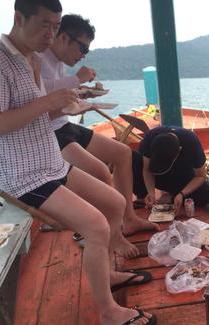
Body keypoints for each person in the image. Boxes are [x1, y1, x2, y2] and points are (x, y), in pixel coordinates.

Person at [0, 1, 155, 324]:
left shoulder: (31, 60)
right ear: (18, 18)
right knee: (96, 225)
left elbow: (41, 111)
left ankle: (108, 273)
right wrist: (50, 101)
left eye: (55, 26)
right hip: (24, 175)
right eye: (44, 25)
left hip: (49, 163)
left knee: (113, 202)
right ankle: (108, 312)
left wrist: (67, 105)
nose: (50, 33)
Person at [40, 14, 158, 240]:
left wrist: (81, 95)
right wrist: (77, 80)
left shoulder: (55, 60)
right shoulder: (38, 57)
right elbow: (41, 94)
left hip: (64, 124)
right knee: (101, 172)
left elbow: (58, 93)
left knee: (123, 153)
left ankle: (129, 219)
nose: (83, 54)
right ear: (64, 38)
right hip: (51, 133)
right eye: (82, 47)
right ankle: (112, 236)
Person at [132, 126, 209, 214]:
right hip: (156, 176)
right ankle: (144, 197)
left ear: (178, 152)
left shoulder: (191, 141)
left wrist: (182, 194)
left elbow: (200, 176)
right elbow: (146, 170)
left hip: (182, 179)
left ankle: (171, 198)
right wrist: (151, 192)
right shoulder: (150, 137)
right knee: (131, 157)